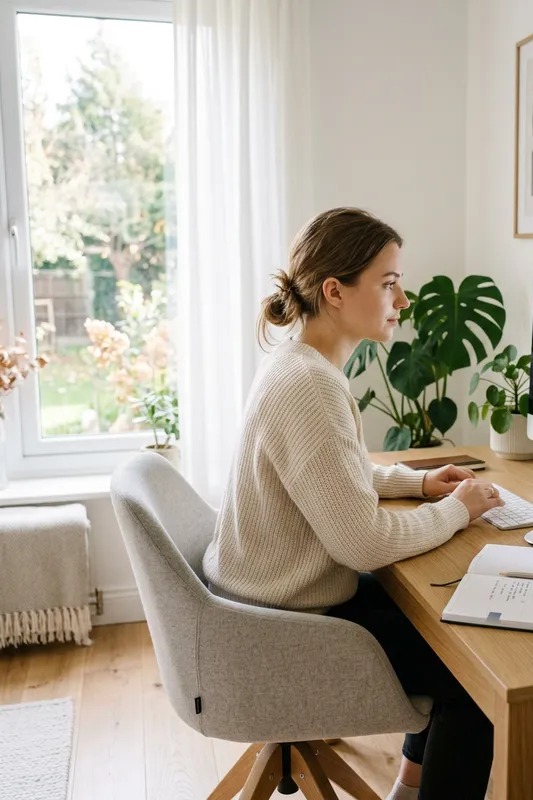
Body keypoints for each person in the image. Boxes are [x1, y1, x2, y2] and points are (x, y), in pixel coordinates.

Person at [202, 207, 502, 800]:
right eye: (388, 283)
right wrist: (459, 508)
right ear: (334, 291)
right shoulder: (311, 386)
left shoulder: (294, 364)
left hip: (262, 601)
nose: (404, 299)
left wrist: (416, 486)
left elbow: (325, 477)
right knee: (474, 684)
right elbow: (362, 542)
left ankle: (410, 788)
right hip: (285, 623)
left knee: (443, 627)